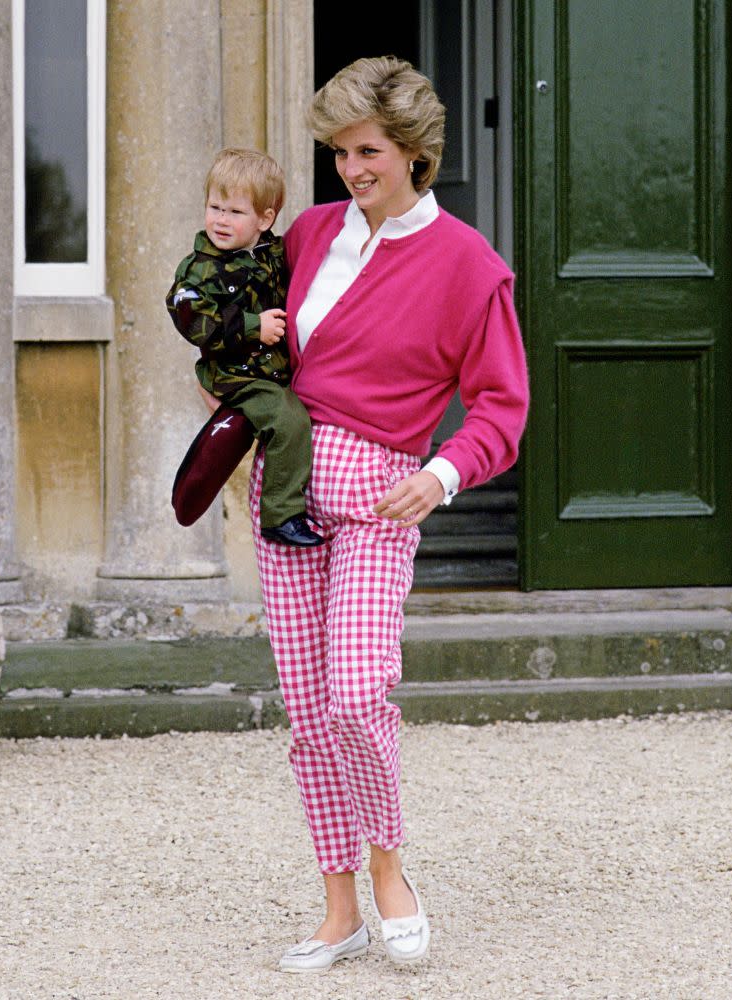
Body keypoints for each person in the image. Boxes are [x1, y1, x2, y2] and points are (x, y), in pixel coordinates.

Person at [199, 58, 529, 973]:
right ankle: (338, 905)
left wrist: (444, 474)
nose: (352, 167)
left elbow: (502, 406)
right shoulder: (302, 234)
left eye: (369, 149)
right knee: (307, 713)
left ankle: (391, 868)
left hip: (384, 495)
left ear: (416, 152)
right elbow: (227, 312)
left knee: (355, 692)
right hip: (288, 495)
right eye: (340, 150)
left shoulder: (470, 266)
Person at [166, 147, 323, 547]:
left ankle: (228, 429)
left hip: (267, 370)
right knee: (290, 420)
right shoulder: (200, 267)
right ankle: (281, 514)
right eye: (215, 207)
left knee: (278, 420)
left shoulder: (271, 253)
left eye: (235, 212)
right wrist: (254, 327)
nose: (221, 220)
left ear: (264, 219)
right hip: (236, 373)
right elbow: (192, 320)